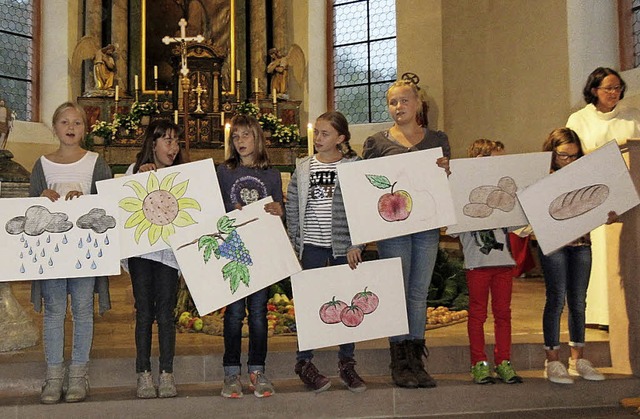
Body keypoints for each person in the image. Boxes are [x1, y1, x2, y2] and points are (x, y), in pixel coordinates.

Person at [362, 74, 450, 388]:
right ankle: (399, 360)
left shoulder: (437, 139)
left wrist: (446, 172)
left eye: (404, 100)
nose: (399, 106)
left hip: (426, 227)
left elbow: (444, 183)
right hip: (392, 228)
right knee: (398, 292)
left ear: (418, 104)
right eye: (393, 102)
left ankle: (416, 359)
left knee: (418, 294)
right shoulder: (377, 141)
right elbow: (365, 183)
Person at [29, 102, 113, 404]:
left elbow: (108, 206)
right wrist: (40, 197)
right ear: (55, 128)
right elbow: (29, 211)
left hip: (84, 254)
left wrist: (87, 199)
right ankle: (53, 377)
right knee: (53, 311)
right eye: (64, 122)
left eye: (77, 122)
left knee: (81, 311)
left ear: (84, 128)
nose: (70, 127)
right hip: (51, 255)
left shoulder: (95, 162)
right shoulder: (42, 163)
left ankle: (78, 374)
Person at [286, 111, 366, 393]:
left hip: (344, 251)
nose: (318, 138)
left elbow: (362, 209)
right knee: (310, 305)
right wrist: (296, 246)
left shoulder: (354, 166)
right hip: (312, 248)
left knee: (347, 305)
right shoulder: (303, 167)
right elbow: (294, 209)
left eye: (325, 134)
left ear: (340, 138)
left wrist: (357, 244)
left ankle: (347, 363)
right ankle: (304, 362)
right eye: (316, 133)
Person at [566, 67, 640, 328]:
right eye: (608, 88)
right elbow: (573, 155)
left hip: (632, 194)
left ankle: (627, 311)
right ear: (594, 90)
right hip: (597, 193)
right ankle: (601, 315)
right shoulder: (578, 119)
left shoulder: (633, 118)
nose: (614, 93)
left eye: (618, 87)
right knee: (601, 256)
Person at [216, 114, 284, 398]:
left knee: (258, 315)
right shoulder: (224, 171)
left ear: (258, 138)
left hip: (263, 252)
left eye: (246, 135)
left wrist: (279, 212)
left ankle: (258, 369)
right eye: (236, 137)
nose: (240, 141)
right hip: (233, 251)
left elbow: (280, 211)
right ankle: (231, 374)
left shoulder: (271, 174)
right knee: (233, 315)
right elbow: (212, 209)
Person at [539, 127, 608, 384]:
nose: (569, 161)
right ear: (552, 154)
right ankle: (553, 360)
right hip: (554, 244)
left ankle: (578, 357)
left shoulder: (585, 175)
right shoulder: (543, 178)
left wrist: (608, 213)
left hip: (581, 243)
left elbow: (598, 202)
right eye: (563, 156)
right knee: (556, 299)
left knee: (579, 300)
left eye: (575, 156)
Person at [124, 120, 187, 398]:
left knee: (165, 313)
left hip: (169, 256)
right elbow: (125, 205)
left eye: (176, 142)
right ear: (153, 143)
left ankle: (167, 372)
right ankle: (143, 373)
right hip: (141, 253)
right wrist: (140, 176)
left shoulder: (183, 175)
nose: (173, 148)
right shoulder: (134, 170)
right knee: (144, 312)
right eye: (168, 141)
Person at [452, 139, 523, 385]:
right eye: (495, 159)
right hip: (477, 264)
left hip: (503, 263)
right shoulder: (463, 194)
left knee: (503, 314)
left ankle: (504, 361)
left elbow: (517, 222)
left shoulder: (503, 196)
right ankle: (479, 363)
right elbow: (452, 227)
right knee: (478, 315)